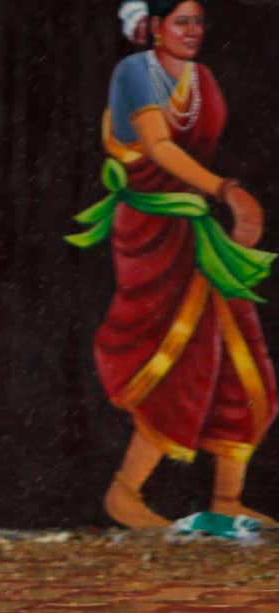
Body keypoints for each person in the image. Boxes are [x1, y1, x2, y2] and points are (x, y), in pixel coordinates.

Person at [72, 0, 274, 528]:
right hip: (153, 232)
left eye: (198, 21)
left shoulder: (202, 78)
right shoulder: (133, 72)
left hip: (195, 229)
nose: (192, 31)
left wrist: (218, 202)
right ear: (155, 26)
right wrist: (227, 192)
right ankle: (125, 494)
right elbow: (159, 147)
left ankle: (226, 503)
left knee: (242, 358)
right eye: (180, 21)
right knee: (180, 360)